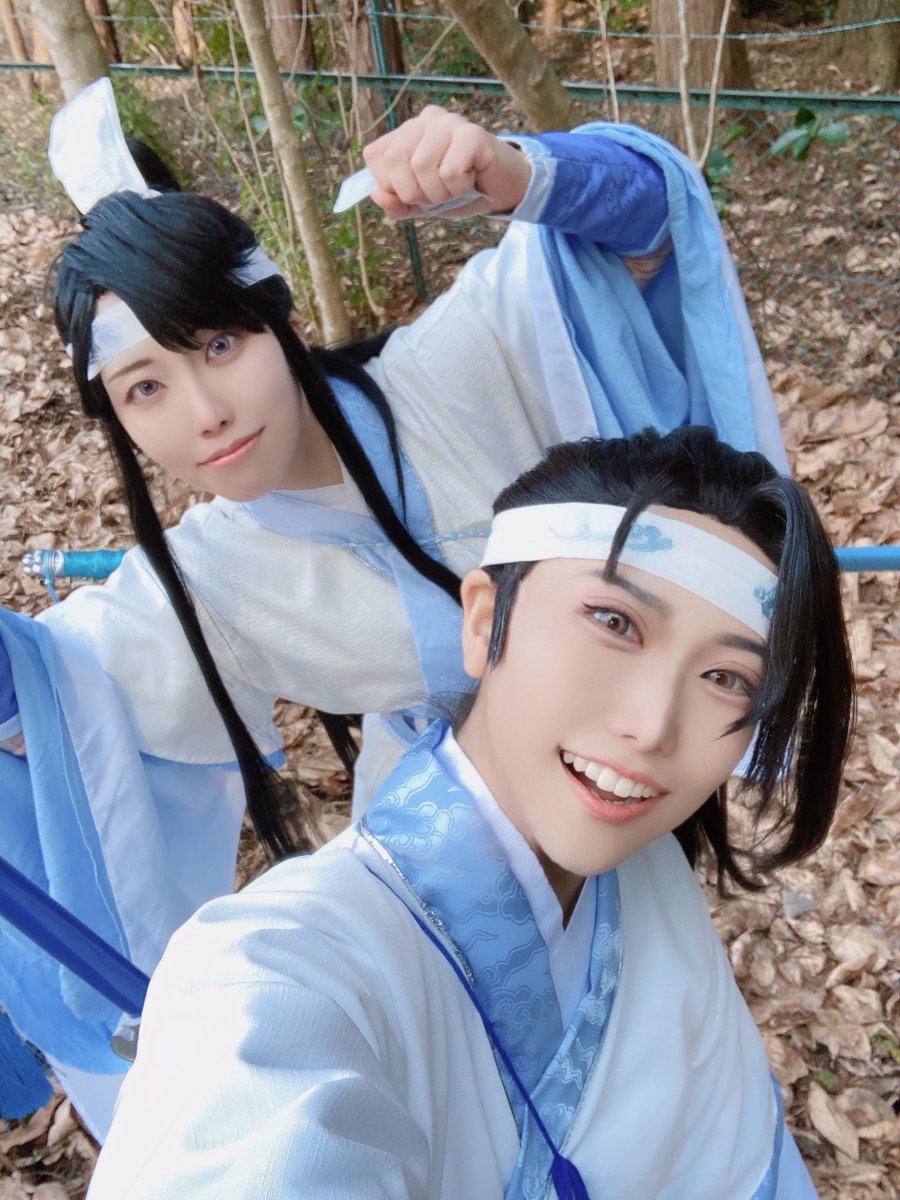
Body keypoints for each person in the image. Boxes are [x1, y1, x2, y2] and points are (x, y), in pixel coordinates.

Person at [0, 77, 788, 1135]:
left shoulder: (457, 367)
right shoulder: (202, 583)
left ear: (276, 316)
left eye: (220, 344)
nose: (206, 412)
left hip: (620, 801)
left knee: (676, 1111)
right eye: (145, 387)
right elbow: (52, 699)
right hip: (436, 873)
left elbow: (649, 234)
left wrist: (521, 173)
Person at [85, 426, 853, 1199]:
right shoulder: (270, 973)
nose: (653, 727)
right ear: (485, 621)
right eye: (615, 623)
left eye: (727, 678)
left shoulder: (650, 881)